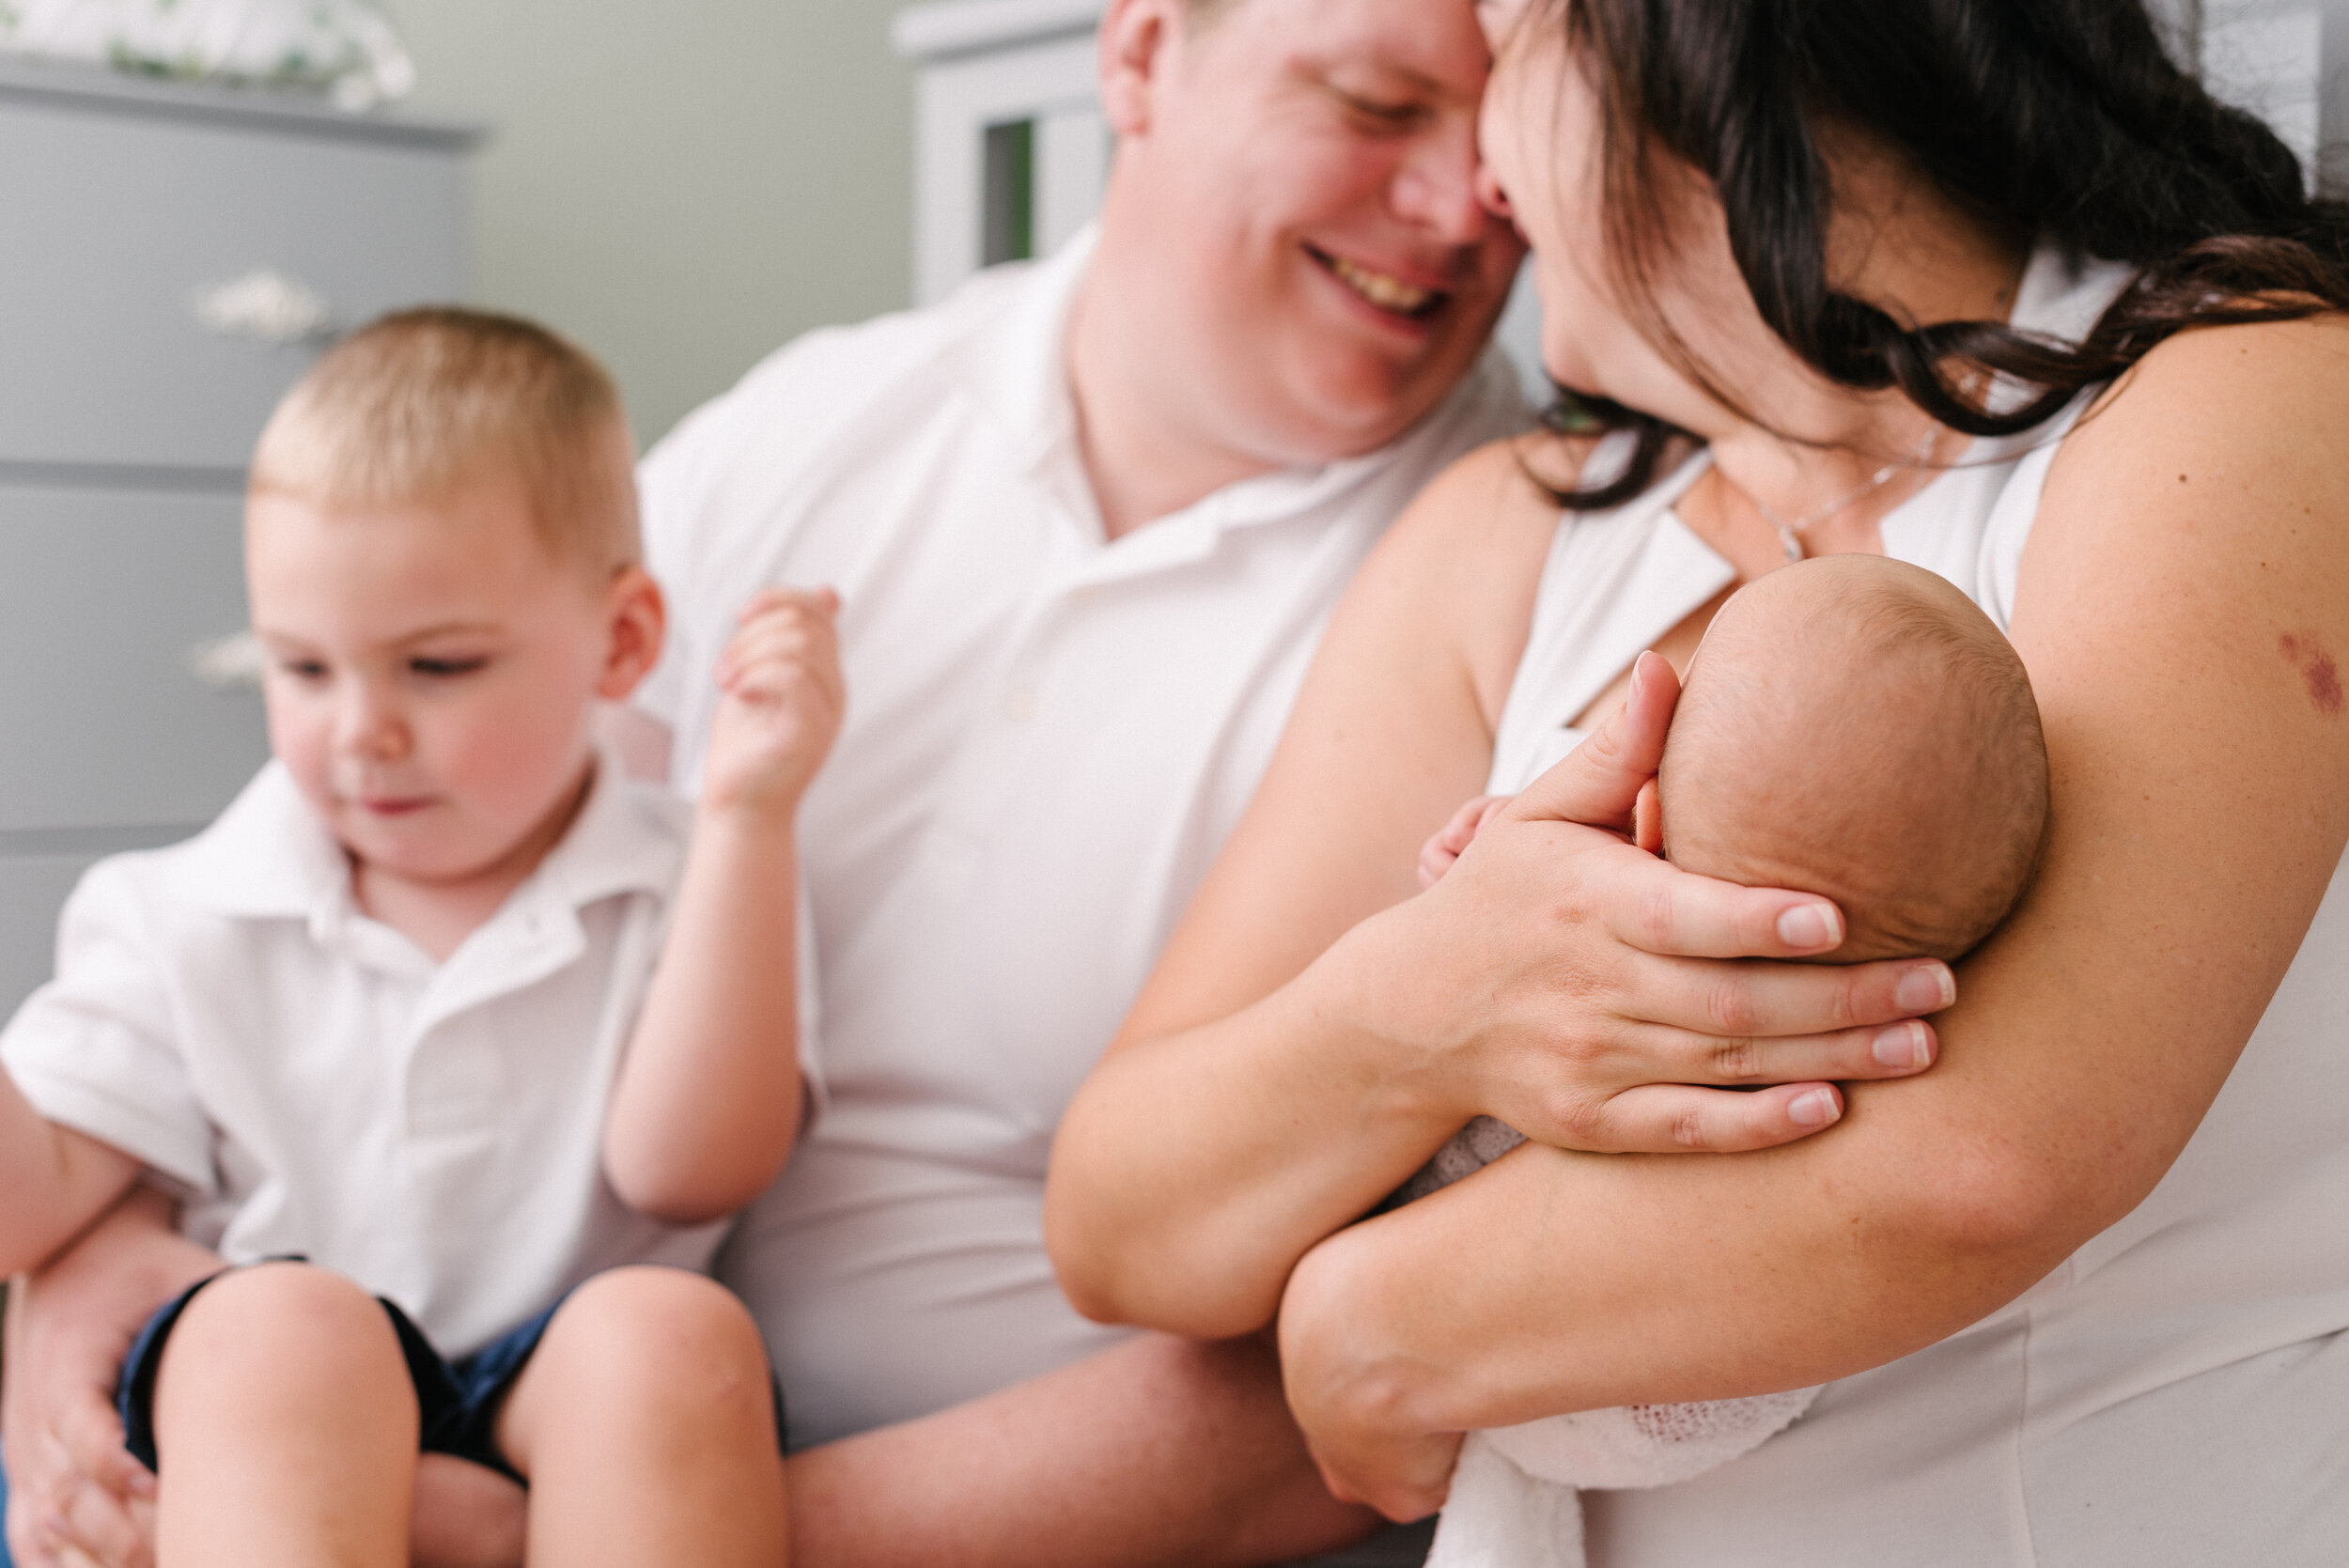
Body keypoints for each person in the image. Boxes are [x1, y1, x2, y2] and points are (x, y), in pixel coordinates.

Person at [7, 3, 1958, 1565]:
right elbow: (333, 853)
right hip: (489, 1388)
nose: (1458, 205)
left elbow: (1409, 1355)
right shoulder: (820, 428)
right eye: (1372, 101)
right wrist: (97, 1264)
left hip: (804, 1507)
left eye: (1494, 132)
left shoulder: (1510, 571)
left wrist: (592, 1534)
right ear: (1134, 55)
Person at [1047, 0, 2349, 1560]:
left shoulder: (2238, 394)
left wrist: (1370, 1308)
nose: (1477, 180)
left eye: (1512, 49)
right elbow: (1124, 1217)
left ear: (1682, 47)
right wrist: (1438, 999)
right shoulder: (1515, 533)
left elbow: (1986, 1165)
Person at [0, 309, 844, 1566]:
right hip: (265, 1415)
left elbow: (690, 1172)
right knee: (276, 1326)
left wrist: (752, 816)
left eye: (436, 667)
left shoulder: (697, 872)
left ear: (620, 643)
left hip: (551, 1393)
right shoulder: (176, 910)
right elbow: (28, 1212)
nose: (361, 733)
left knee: (674, 1335)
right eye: (302, 669)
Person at [1401, 554, 2049, 1568]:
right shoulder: (1879, 1039)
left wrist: (1480, 869)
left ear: (1644, 812)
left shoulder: (1597, 931)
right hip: (1710, 1391)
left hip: (1493, 1337)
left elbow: (1446, 986)